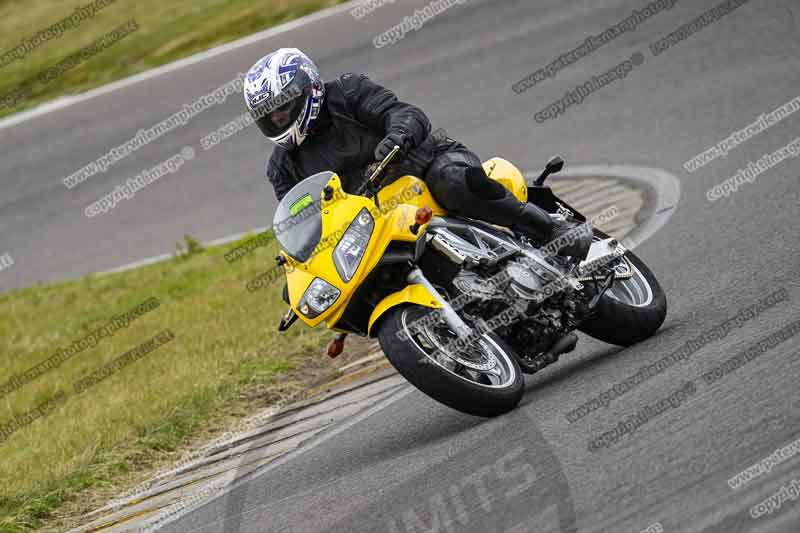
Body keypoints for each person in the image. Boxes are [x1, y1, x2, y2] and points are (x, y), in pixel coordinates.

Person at [243, 48, 591, 259]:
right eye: (269, 116)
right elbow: (302, 223)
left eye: (283, 108)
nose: (279, 119)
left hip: (425, 167)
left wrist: (396, 138)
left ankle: (550, 231)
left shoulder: (347, 92)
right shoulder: (282, 167)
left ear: (309, 88)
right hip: (378, 221)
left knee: (453, 181)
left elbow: (404, 113)